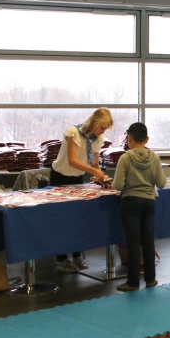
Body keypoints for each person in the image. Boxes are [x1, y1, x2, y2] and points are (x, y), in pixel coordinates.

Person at [50, 108, 113, 273]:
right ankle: (61, 259)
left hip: (77, 177)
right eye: (102, 128)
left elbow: (95, 163)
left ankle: (77, 256)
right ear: (95, 123)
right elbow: (72, 160)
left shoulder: (97, 138)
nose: (103, 132)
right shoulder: (73, 133)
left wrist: (101, 177)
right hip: (60, 177)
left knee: (76, 218)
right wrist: (93, 171)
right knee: (62, 220)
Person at [113, 122, 166, 291]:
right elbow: (162, 183)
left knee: (133, 242)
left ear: (129, 138)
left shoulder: (125, 158)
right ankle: (150, 279)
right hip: (149, 202)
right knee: (148, 241)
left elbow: (118, 185)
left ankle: (133, 282)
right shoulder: (155, 157)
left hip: (130, 202)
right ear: (147, 139)